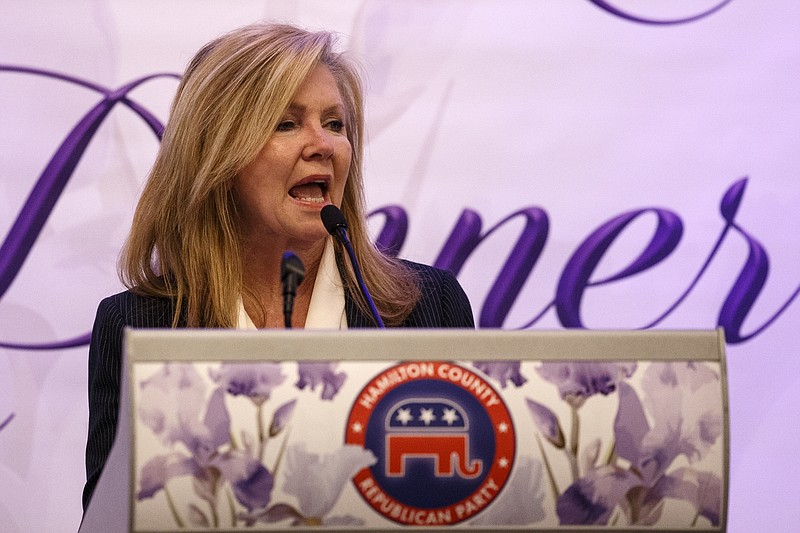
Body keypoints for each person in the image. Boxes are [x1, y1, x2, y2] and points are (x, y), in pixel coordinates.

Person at [82, 22, 474, 511]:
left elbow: (462, 503)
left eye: (335, 124)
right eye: (286, 124)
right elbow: (113, 518)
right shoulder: (135, 325)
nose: (323, 145)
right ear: (216, 154)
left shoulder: (428, 305)